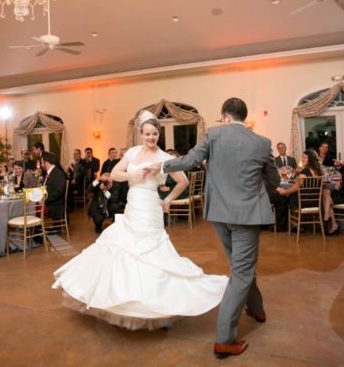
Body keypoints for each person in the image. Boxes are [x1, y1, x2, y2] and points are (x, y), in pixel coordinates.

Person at [52, 111, 227, 331]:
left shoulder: (165, 157)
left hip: (151, 210)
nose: (151, 137)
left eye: (154, 134)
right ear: (141, 134)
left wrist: (168, 201)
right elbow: (114, 173)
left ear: (159, 135)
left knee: (153, 253)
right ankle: (125, 298)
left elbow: (182, 181)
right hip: (133, 206)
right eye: (147, 134)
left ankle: (159, 304)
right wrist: (131, 177)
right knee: (124, 250)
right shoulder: (133, 153)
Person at [145, 97, 279, 359]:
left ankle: (256, 308)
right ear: (244, 117)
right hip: (246, 215)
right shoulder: (262, 143)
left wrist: (161, 165)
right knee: (241, 271)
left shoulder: (214, 135)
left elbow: (190, 160)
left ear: (226, 116)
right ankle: (224, 340)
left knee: (241, 266)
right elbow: (272, 177)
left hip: (218, 213)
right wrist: (277, 187)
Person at [41, 152, 67, 221]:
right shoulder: (51, 172)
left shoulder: (57, 173)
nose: (41, 165)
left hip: (55, 206)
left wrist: (44, 200)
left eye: (42, 163)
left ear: (46, 163)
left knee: (32, 209)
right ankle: (38, 229)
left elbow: (58, 191)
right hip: (51, 203)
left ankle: (38, 230)